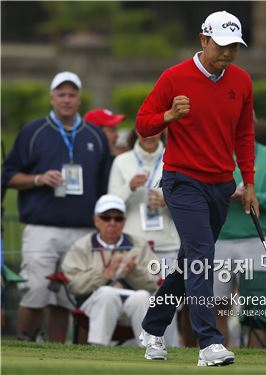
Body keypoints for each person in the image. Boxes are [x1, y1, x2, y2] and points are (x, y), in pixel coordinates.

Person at [136, 10, 258, 366]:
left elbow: (244, 135)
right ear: (203, 40)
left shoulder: (242, 81)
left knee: (190, 260)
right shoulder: (174, 78)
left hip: (221, 184)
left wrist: (248, 182)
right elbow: (143, 125)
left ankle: (153, 326)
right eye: (221, 45)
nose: (228, 54)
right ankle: (208, 343)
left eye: (234, 46)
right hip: (182, 180)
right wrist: (168, 118)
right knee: (203, 254)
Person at [2, 71, 111, 343]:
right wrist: (38, 178)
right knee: (36, 289)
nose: (66, 100)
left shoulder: (95, 136)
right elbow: (8, 176)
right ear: (52, 98)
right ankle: (27, 344)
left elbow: (104, 187)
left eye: (72, 95)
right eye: (61, 94)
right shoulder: (33, 132)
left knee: (65, 298)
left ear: (79, 99)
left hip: (82, 229)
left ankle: (57, 350)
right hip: (42, 227)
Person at [108, 130, 181, 347]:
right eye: (144, 131)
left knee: (168, 302)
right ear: (136, 132)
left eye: (154, 131)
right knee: (137, 299)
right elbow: (110, 205)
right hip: (134, 245)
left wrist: (168, 201)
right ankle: (141, 351)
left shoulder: (175, 156)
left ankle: (171, 349)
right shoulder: (122, 161)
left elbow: (188, 199)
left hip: (168, 243)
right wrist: (129, 187)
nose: (149, 136)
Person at [213, 139, 266, 347]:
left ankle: (256, 362)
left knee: (257, 306)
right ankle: (218, 354)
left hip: (256, 239)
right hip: (219, 239)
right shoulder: (216, 150)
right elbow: (204, 191)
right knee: (217, 305)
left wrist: (252, 195)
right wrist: (225, 193)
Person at [61, 194, 159, 346]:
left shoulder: (139, 244)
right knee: (107, 294)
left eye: (118, 218)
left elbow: (154, 283)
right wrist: (103, 276)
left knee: (143, 297)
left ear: (124, 221)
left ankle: (149, 349)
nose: (112, 223)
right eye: (106, 218)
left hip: (130, 300)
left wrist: (134, 274)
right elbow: (75, 286)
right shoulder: (81, 246)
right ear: (96, 220)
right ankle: (98, 349)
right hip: (92, 303)